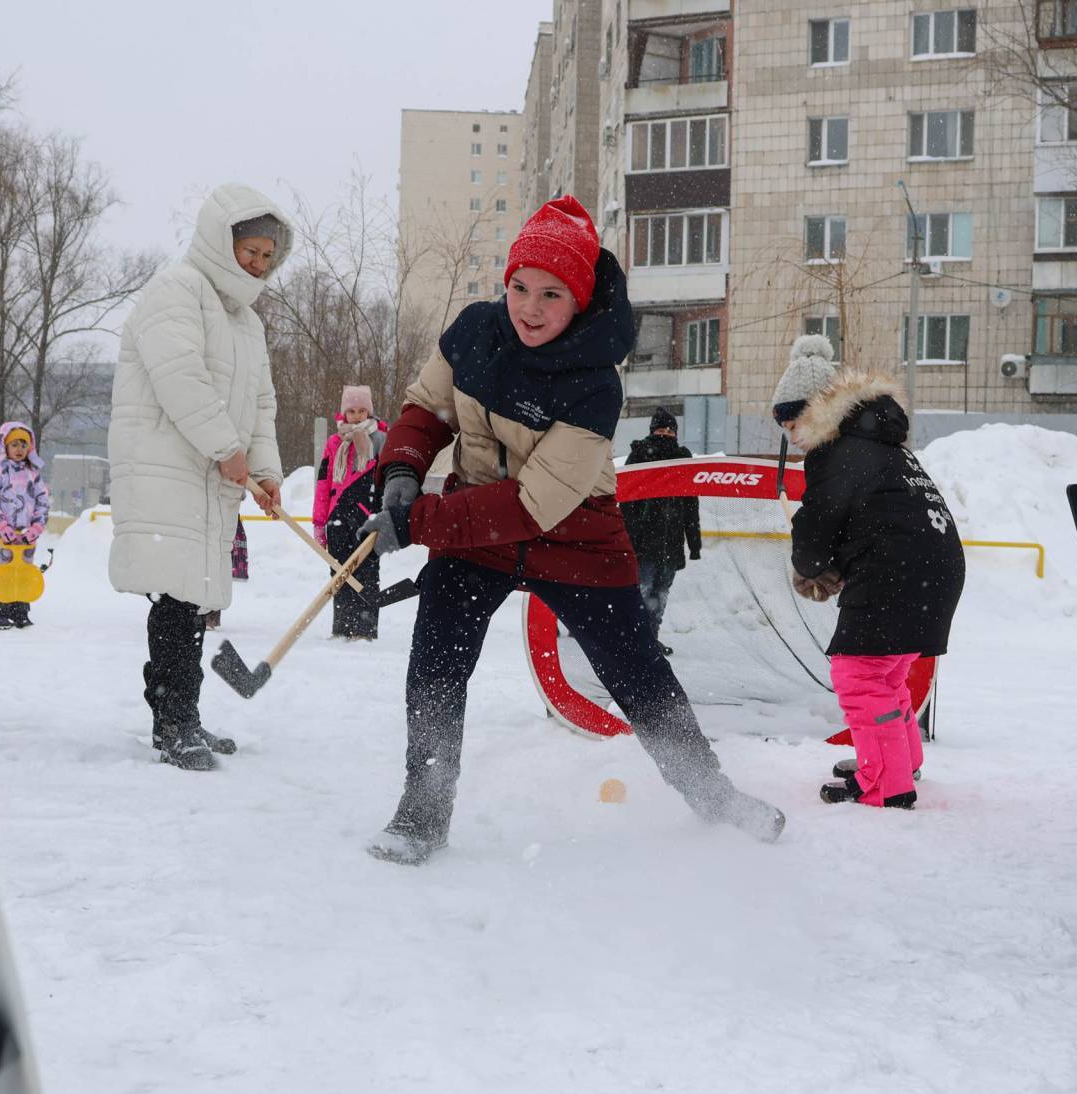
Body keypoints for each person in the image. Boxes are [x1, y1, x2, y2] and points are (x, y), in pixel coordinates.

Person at [354, 195, 785, 863]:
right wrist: (404, 470)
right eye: (519, 287)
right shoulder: (474, 333)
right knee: (436, 663)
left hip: (574, 536)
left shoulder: (595, 384)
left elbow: (533, 505)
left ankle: (712, 794)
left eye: (551, 294)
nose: (529, 307)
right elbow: (426, 405)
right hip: (476, 539)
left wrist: (419, 522)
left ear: (579, 300)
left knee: (638, 673)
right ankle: (422, 811)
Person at [108, 184, 286, 771]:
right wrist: (227, 448)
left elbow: (262, 402)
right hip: (169, 466)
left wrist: (262, 468)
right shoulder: (177, 290)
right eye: (249, 250)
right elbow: (179, 378)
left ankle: (186, 716)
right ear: (219, 238)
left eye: (267, 255)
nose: (258, 264)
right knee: (176, 596)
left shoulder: (247, 322)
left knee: (195, 600)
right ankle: (171, 724)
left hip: (213, 474)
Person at [769, 334, 964, 810]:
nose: (793, 435)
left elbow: (817, 520)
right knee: (886, 675)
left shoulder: (837, 452)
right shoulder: (881, 443)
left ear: (822, 412)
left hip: (896, 572)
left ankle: (887, 784)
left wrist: (812, 569)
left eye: (795, 421)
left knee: (858, 674)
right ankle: (898, 759)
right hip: (933, 571)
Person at [620, 406, 701, 654]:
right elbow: (627, 502)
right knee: (645, 592)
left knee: (659, 594)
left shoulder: (679, 458)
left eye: (669, 430)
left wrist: (694, 543)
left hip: (668, 543)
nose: (665, 434)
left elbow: (690, 503)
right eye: (661, 429)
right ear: (653, 430)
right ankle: (639, 641)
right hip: (646, 543)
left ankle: (649, 639)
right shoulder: (641, 455)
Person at [312, 385, 388, 640]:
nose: (356, 416)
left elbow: (385, 481)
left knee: (366, 570)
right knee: (339, 571)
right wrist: (320, 522)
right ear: (344, 413)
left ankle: (364, 629)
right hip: (337, 516)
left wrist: (383, 516)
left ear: (369, 411)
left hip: (367, 517)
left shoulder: (380, 440)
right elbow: (323, 484)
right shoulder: (334, 444)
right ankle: (343, 625)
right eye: (352, 411)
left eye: (362, 410)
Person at [0, 422, 50, 629]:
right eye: (14, 444)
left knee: (22, 571)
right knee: (0, 571)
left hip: (25, 536)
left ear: (30, 447)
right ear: (5, 446)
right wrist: (2, 526)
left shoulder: (33, 476)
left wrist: (36, 527)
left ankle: (20, 611)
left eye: (23, 444)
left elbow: (43, 502)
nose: (19, 449)